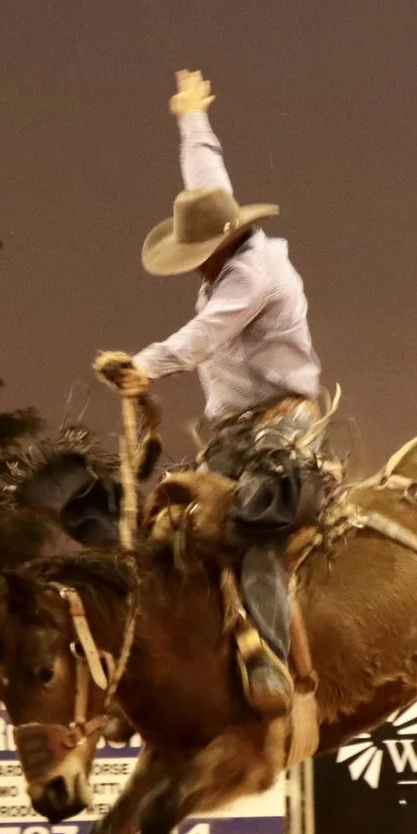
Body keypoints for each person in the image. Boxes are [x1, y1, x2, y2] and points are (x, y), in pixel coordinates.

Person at [103, 70, 325, 717]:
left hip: (285, 427)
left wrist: (145, 364)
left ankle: (273, 660)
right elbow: (205, 176)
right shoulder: (227, 232)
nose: (193, 264)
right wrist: (191, 116)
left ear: (222, 243)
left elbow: (204, 335)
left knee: (256, 523)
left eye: (197, 253)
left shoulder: (252, 276)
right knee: (170, 528)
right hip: (234, 431)